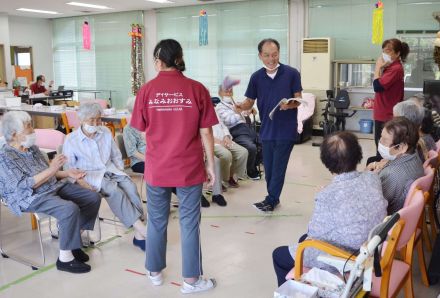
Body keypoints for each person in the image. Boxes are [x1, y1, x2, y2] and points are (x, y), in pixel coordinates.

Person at [131, 39, 217, 294]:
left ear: (158, 60)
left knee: (157, 220)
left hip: (157, 168)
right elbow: (206, 133)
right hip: (188, 168)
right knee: (189, 223)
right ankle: (191, 281)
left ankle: (154, 272)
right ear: (179, 57)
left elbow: (144, 133)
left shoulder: (146, 91)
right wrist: (211, 164)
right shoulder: (197, 89)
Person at [272, 132, 387, 286]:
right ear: (358, 155)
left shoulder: (327, 195)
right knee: (302, 239)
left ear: (326, 162)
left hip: (347, 256)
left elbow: (313, 235)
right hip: (370, 245)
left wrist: (320, 196)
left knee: (279, 255)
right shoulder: (372, 178)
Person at [0, 111, 101, 274]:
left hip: (51, 186)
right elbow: (23, 186)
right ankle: (65, 259)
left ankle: (72, 242)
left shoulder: (31, 148)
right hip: (29, 197)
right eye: (28, 127)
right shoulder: (4, 156)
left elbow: (48, 173)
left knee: (92, 197)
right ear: (14, 134)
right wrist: (53, 168)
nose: (33, 130)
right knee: (69, 209)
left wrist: (67, 173)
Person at [63, 103, 146, 251]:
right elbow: (69, 168)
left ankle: (139, 236)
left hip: (110, 170)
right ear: (81, 120)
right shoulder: (71, 139)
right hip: (88, 175)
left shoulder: (105, 132)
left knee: (130, 187)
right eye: (91, 120)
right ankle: (142, 229)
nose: (96, 124)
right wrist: (80, 181)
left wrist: (121, 171)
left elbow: (116, 155)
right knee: (115, 191)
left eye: (98, 119)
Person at [235, 38, 302, 212]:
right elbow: (250, 101)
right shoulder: (256, 77)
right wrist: (241, 107)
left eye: (274, 54)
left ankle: (271, 200)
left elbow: (298, 99)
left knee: (278, 168)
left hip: (286, 129)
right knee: (270, 170)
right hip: (266, 130)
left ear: (279, 53)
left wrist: (290, 105)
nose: (271, 59)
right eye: (267, 55)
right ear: (260, 56)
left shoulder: (292, 73)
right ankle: (273, 197)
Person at [367, 117, 424, 214]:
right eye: (380, 137)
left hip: (387, 221)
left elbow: (371, 206)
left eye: (384, 140)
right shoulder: (415, 155)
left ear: (401, 147)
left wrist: (369, 177)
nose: (379, 142)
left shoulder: (391, 174)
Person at [216, 80, 260, 180]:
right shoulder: (219, 107)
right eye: (226, 91)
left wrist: (249, 110)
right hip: (235, 130)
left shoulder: (236, 103)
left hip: (246, 128)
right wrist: (239, 111)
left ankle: (254, 164)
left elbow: (245, 113)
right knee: (251, 147)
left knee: (263, 142)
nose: (229, 92)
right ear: (220, 93)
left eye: (230, 91)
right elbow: (228, 121)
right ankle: (250, 170)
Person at [373, 38, 410, 154]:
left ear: (398, 53)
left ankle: (382, 171)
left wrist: (377, 67)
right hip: (383, 112)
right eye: (383, 51)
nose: (384, 54)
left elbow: (377, 86)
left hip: (386, 115)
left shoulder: (396, 69)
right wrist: (382, 68)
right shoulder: (390, 67)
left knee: (383, 149)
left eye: (388, 51)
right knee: (380, 146)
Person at [212, 111, 248, 188]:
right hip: (212, 142)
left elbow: (223, 126)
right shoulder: (198, 112)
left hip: (224, 140)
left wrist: (227, 137)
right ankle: (222, 179)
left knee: (243, 152)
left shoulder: (214, 110)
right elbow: (203, 132)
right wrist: (218, 141)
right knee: (226, 155)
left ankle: (231, 176)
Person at [123, 97, 146, 173]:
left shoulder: (150, 123)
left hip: (156, 158)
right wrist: (151, 160)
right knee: (162, 171)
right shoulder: (128, 129)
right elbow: (133, 152)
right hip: (139, 162)